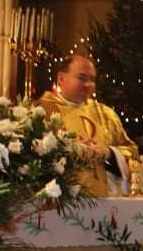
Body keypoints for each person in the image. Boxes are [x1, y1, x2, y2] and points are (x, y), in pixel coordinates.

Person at [39, 55, 137, 197]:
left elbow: (132, 152)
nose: (88, 85)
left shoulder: (106, 114)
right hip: (59, 201)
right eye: (82, 78)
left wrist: (109, 153)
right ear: (61, 78)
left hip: (106, 200)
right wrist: (71, 150)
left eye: (92, 79)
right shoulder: (42, 111)